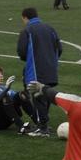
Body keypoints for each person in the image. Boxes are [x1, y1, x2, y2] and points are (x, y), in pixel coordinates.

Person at [17, 7, 63, 136]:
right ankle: (44, 124)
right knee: (46, 95)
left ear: (25, 17)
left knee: (37, 96)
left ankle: (42, 127)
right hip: (51, 69)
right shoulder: (50, 29)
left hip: (35, 70)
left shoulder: (27, 30)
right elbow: (59, 48)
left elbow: (21, 51)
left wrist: (30, 59)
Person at [0, 65, 37, 133]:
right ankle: (21, 127)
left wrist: (26, 85)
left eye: (2, 74)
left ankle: (39, 123)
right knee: (5, 97)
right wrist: (6, 90)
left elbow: (19, 98)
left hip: (4, 122)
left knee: (21, 94)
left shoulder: (2, 88)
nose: (1, 76)